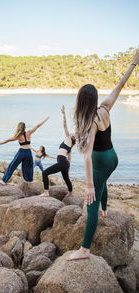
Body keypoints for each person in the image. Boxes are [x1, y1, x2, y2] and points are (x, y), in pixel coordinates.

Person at [67, 50, 139, 261]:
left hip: (100, 161)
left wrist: (88, 185)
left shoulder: (90, 122)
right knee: (103, 181)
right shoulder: (105, 108)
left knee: (91, 205)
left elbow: (87, 156)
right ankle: (105, 210)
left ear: (81, 101)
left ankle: (84, 250)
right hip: (113, 158)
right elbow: (120, 86)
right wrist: (133, 65)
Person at [0, 117, 49, 184]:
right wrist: (45, 120)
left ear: (19, 128)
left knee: (12, 165)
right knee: (28, 167)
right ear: (25, 127)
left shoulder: (18, 136)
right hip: (28, 152)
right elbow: (37, 126)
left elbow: (7, 140)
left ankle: (4, 181)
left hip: (21, 152)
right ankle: (29, 180)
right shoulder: (29, 133)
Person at [41, 105, 76, 197]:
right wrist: (68, 169)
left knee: (45, 173)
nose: (71, 133)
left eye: (73, 134)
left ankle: (46, 192)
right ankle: (70, 193)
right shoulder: (70, 146)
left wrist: (64, 114)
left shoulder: (68, 138)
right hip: (64, 163)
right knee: (66, 178)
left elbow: (65, 125)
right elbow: (70, 160)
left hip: (62, 162)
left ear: (72, 138)